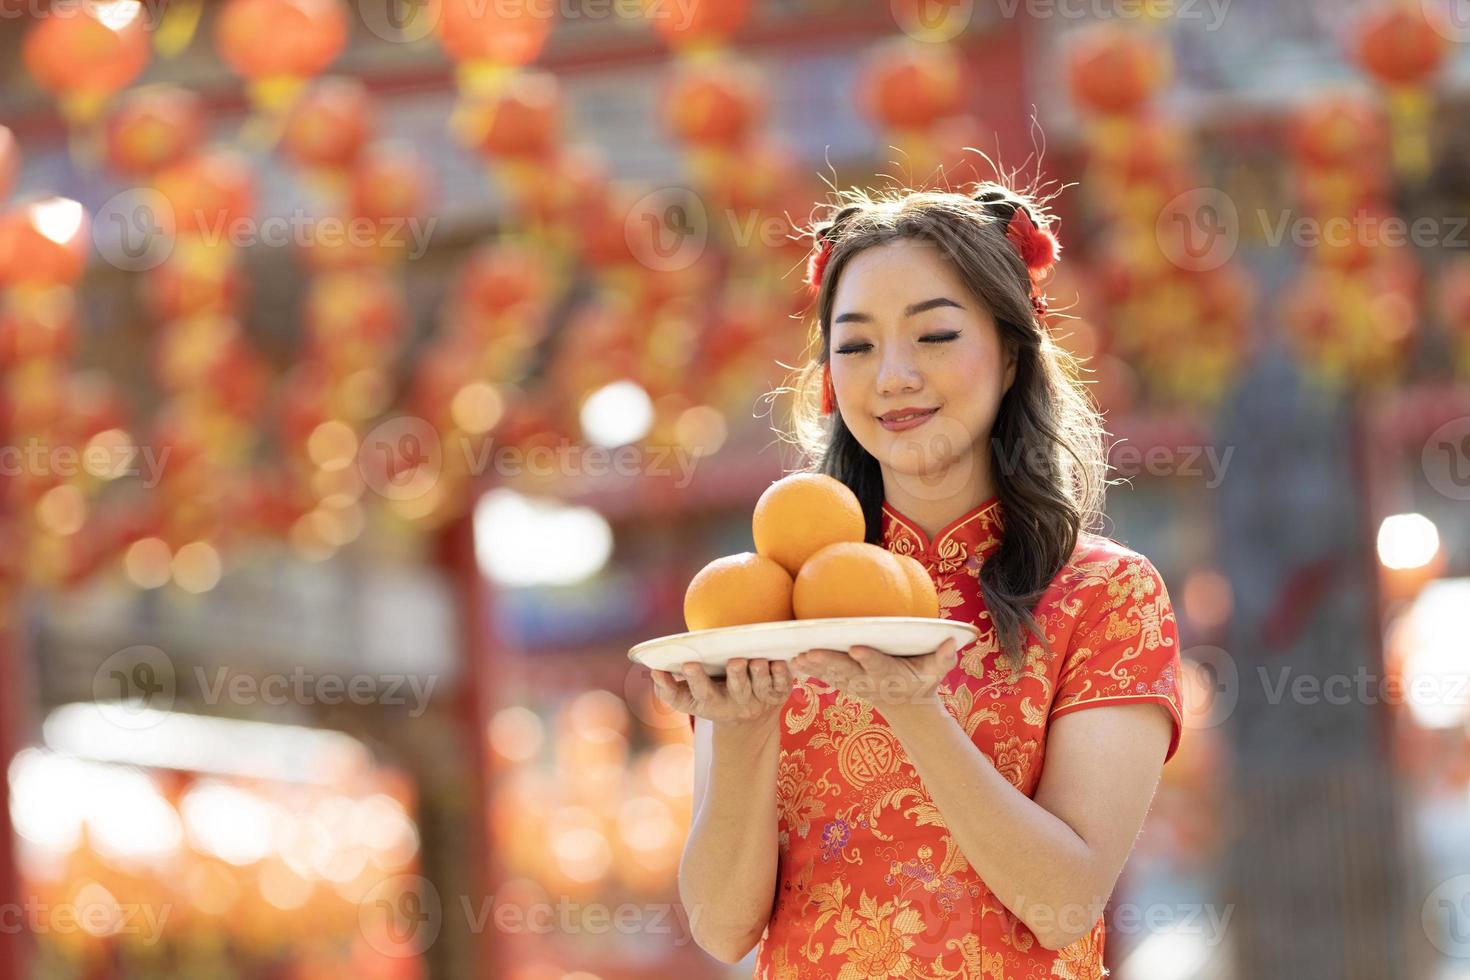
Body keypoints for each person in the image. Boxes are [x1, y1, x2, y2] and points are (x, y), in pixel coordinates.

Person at [650, 179, 1184, 978]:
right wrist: (745, 728)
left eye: (933, 336)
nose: (892, 376)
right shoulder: (773, 608)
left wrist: (914, 711)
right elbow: (725, 929)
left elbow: (1064, 903)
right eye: (856, 345)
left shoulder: (1106, 596)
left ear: (1010, 353)